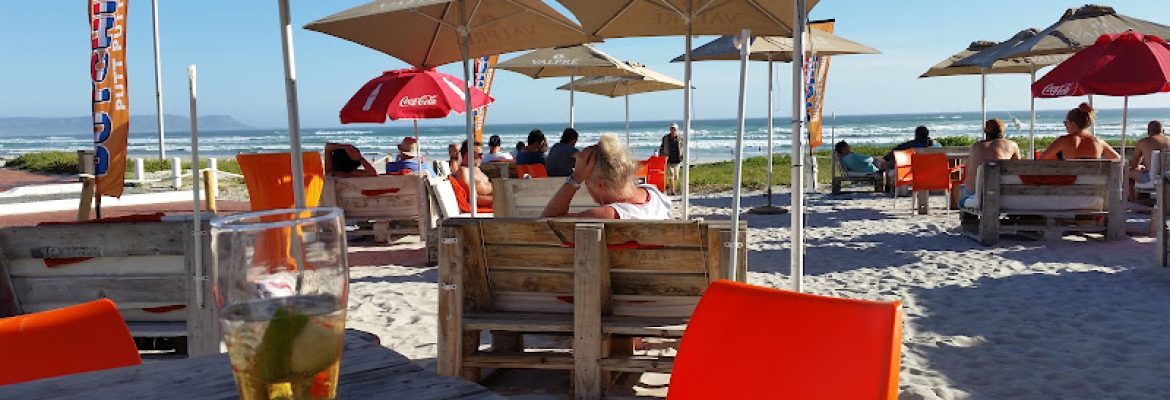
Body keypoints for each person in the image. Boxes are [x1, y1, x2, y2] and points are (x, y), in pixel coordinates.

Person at [541, 133, 671, 219]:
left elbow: (546, 225)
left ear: (601, 184)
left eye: (586, 181)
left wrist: (575, 179)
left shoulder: (607, 216)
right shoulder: (655, 194)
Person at [960, 119, 1022, 207]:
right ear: (1003, 132)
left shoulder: (975, 147)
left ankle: (969, 218)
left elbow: (968, 172)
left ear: (985, 132)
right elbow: (1019, 170)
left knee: (963, 191)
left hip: (976, 195)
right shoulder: (1011, 145)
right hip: (1002, 193)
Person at [1038, 103, 1120, 161]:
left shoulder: (1063, 140)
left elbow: (1041, 160)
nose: (1065, 125)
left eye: (1066, 122)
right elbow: (1118, 159)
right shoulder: (1099, 142)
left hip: (1070, 183)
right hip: (1096, 183)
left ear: (1073, 123)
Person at [1127, 120, 1170, 200]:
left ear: (1148, 131)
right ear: (1163, 131)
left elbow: (1134, 165)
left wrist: (1141, 167)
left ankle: (1133, 202)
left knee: (1126, 172)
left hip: (1151, 178)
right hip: (1167, 177)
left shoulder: (1143, 142)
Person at [454, 140, 492, 207]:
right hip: (481, 208)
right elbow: (473, 199)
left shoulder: (476, 169)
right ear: (469, 154)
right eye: (480, 154)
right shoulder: (464, 171)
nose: (482, 157)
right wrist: (500, 199)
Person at [658, 123, 683, 195]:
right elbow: (661, 147)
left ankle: (672, 189)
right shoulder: (665, 138)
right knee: (671, 174)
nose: (673, 130)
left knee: (676, 177)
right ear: (670, 129)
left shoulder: (681, 138)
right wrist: (660, 156)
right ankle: (672, 191)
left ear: (677, 130)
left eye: (674, 129)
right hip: (668, 160)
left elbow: (683, 147)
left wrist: (683, 156)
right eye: (672, 128)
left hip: (677, 160)